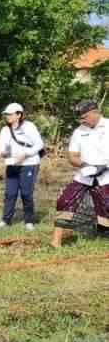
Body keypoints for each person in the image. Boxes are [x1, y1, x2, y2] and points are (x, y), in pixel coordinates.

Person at [52, 100, 109, 248]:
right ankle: (55, 242)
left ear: (95, 112)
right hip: (85, 174)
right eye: (80, 118)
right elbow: (73, 156)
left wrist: (105, 166)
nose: (82, 120)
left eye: (85, 116)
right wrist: (84, 165)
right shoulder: (79, 131)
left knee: (107, 204)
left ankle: (103, 232)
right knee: (65, 200)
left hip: (106, 175)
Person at [0, 103, 44, 231]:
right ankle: (5, 220)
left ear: (19, 115)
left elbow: (39, 144)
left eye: (10, 114)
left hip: (29, 163)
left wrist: (26, 154)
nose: (7, 116)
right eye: (6, 114)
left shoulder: (29, 126)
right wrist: (3, 153)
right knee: (10, 194)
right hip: (11, 164)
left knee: (26, 193)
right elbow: (0, 148)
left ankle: (29, 221)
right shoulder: (5, 130)